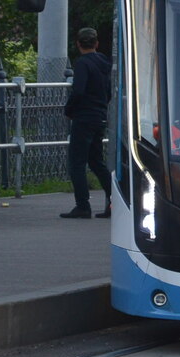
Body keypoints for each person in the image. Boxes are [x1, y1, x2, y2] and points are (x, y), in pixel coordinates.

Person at [60, 27, 113, 219]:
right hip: (99, 115)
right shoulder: (104, 62)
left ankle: (83, 205)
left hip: (84, 117)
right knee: (96, 161)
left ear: (78, 44)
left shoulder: (82, 64)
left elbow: (79, 90)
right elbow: (109, 91)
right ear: (96, 44)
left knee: (77, 162)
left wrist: (69, 110)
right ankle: (113, 202)